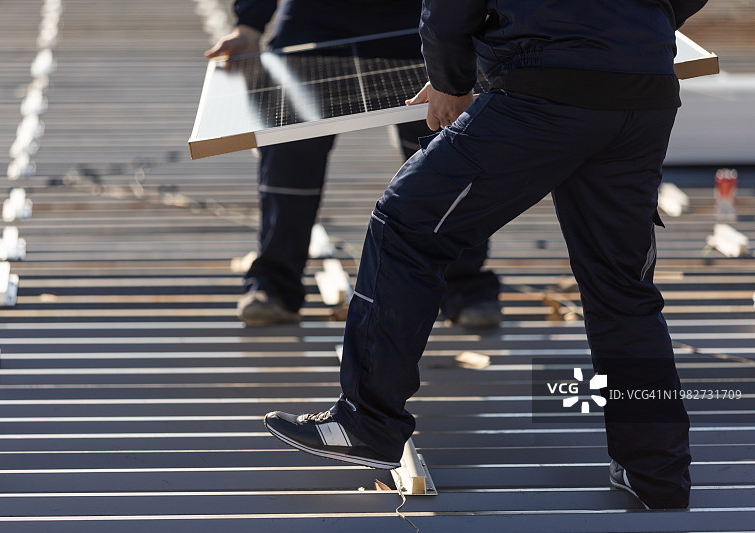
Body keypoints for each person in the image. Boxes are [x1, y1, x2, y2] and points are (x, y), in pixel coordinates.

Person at [263, 0, 707, 510]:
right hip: (644, 86)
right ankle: (656, 473)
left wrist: (451, 83)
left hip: (542, 86)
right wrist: (633, 25)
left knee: (406, 224)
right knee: (621, 286)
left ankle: (367, 420)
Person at [205, 0, 501, 328]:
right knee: (289, 152)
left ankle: (464, 287)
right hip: (313, 19)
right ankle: (274, 286)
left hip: (419, 19)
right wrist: (249, 25)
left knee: (446, 154)